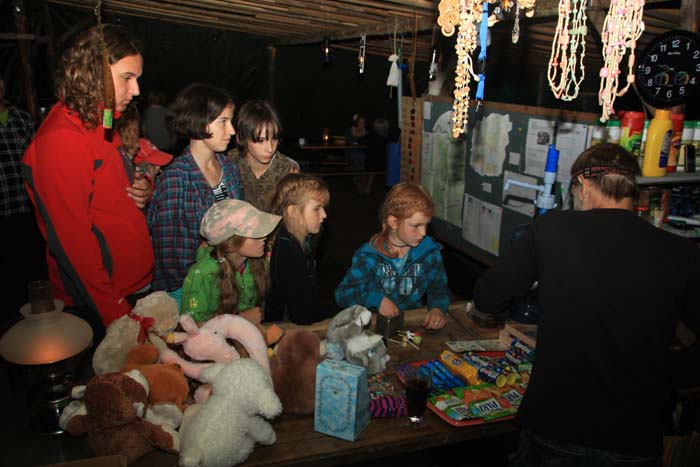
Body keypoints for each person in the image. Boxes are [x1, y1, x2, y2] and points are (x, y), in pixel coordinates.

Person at [473, 143, 700, 466]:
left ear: (582, 185)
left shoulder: (551, 229)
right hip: (634, 435)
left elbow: (487, 298)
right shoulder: (682, 252)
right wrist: (664, 374)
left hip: (557, 426)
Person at [22, 25, 153, 332]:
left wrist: (144, 185)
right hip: (104, 302)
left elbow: (115, 182)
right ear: (94, 73)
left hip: (132, 285)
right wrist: (117, 314)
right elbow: (73, 243)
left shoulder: (101, 120)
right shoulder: (62, 140)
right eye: (127, 78)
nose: (136, 90)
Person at [147, 83, 242, 301]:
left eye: (231, 121)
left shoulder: (229, 169)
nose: (232, 130)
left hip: (225, 284)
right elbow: (172, 264)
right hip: (188, 294)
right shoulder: (176, 180)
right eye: (223, 122)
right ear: (199, 121)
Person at [335, 182, 450, 330]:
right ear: (393, 222)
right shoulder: (369, 256)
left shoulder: (429, 251)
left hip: (412, 323)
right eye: (416, 226)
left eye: (426, 225)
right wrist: (377, 300)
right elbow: (343, 294)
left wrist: (438, 308)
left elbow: (439, 287)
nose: (423, 233)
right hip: (374, 325)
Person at [180, 199, 281, 323]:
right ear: (230, 242)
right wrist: (241, 318)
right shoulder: (203, 274)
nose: (264, 237)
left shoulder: (255, 263)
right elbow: (191, 326)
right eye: (254, 234)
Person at [0, 74, 46, 322]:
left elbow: (37, 160)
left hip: (26, 208)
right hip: (2, 213)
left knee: (31, 273)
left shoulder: (22, 118)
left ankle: (36, 324)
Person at [265, 173, 332, 324]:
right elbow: (300, 312)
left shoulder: (303, 240)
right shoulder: (288, 253)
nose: (324, 215)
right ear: (293, 212)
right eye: (317, 209)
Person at [229, 99, 299, 212]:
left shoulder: (288, 170)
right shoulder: (228, 165)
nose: (270, 148)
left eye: (274, 138)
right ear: (241, 139)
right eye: (260, 141)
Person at [343, 113, 370, 195]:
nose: (362, 124)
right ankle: (359, 185)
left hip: (363, 154)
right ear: (356, 123)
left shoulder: (367, 133)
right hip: (351, 153)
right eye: (360, 122)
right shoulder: (350, 131)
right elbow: (345, 143)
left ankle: (363, 185)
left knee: (365, 160)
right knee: (356, 159)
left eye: (364, 122)